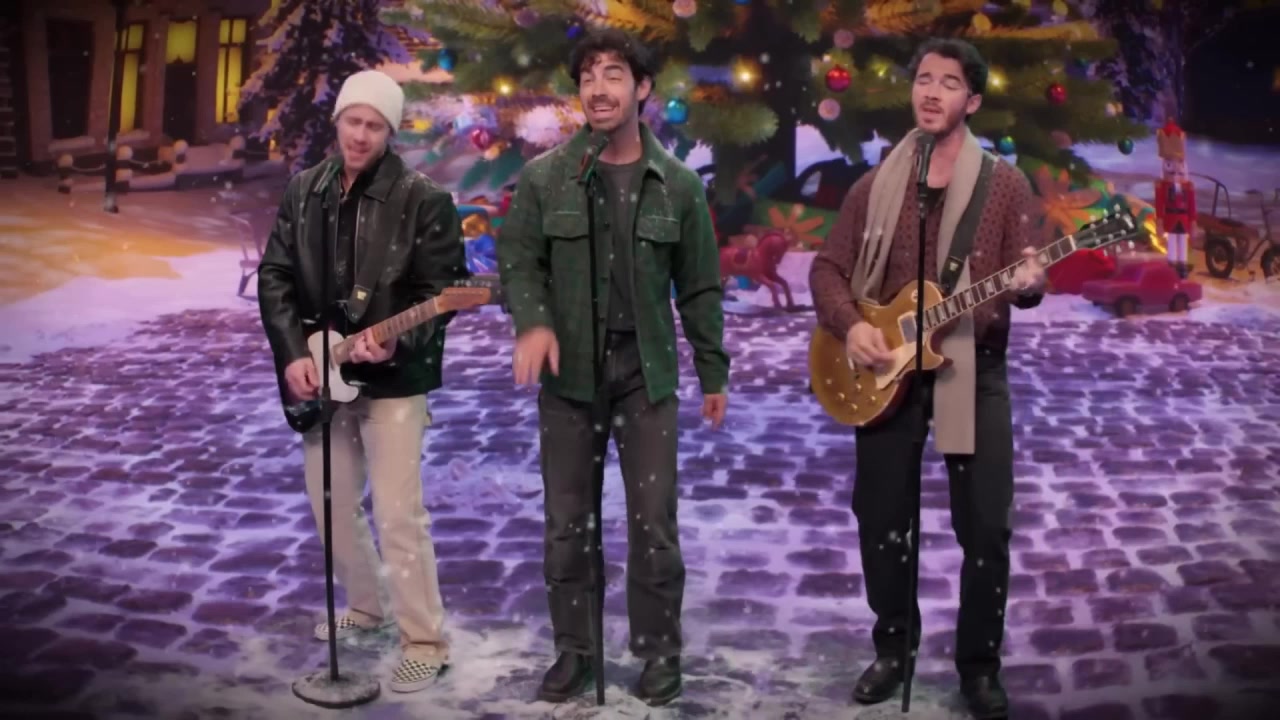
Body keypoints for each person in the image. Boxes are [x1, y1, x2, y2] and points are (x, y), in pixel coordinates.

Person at [809, 38, 1045, 719]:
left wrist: (1031, 282)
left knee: (986, 527)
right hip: (888, 370)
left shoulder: (1004, 186)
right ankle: (893, 648)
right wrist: (851, 324)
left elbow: (1024, 276)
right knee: (881, 519)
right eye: (924, 80)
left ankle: (979, 667)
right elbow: (828, 268)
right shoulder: (879, 183)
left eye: (949, 83)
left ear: (972, 101)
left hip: (972, 365)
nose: (932, 92)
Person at [496, 28, 729, 708]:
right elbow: (519, 263)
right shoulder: (546, 178)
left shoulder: (677, 185)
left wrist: (712, 371)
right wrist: (534, 322)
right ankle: (576, 650)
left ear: (643, 88)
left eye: (614, 74)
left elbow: (700, 286)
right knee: (567, 522)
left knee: (653, 522)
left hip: (644, 375)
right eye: (588, 76)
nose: (598, 88)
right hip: (569, 377)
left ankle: (659, 652)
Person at [257, 69, 470, 694]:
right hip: (323, 371)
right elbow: (276, 275)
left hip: (394, 382)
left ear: (389, 132)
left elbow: (443, 296)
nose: (360, 134)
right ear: (338, 122)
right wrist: (292, 352)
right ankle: (366, 604)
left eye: (374, 126)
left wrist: (401, 339)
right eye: (353, 121)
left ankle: (425, 642)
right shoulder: (305, 190)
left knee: (399, 514)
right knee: (329, 501)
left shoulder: (423, 199)